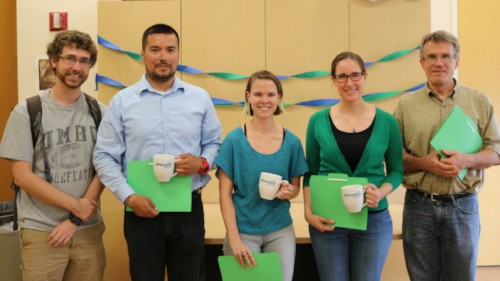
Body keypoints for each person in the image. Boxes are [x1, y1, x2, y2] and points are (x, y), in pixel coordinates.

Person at [92, 23, 222, 281]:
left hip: (188, 210)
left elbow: (215, 143)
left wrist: (203, 163)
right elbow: (104, 155)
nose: (163, 56)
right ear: (142, 54)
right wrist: (129, 197)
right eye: (155, 49)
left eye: (170, 49)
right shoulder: (123, 101)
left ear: (178, 55)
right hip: (140, 211)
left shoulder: (199, 98)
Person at [394, 30, 500, 281]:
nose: (438, 62)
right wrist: (423, 163)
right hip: (418, 207)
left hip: (462, 206)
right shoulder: (405, 106)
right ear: (422, 63)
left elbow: (496, 151)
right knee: (422, 277)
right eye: (431, 56)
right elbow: (394, 157)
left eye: (445, 56)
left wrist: (468, 160)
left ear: (456, 61)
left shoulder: (479, 101)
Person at [0, 30, 106, 281]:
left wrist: (76, 219)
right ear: (54, 60)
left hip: (87, 231)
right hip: (41, 231)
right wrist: (75, 207)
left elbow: (104, 168)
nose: (76, 67)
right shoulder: (27, 111)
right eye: (70, 58)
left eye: (84, 61)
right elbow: (22, 176)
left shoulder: (100, 112)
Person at [303, 51, 403, 281]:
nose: (349, 83)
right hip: (328, 219)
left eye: (355, 75)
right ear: (333, 80)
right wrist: (308, 213)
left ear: (365, 77)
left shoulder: (387, 122)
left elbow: (397, 171)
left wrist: (381, 191)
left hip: (374, 219)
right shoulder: (317, 121)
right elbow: (311, 173)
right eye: (342, 76)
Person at [215, 70, 308, 281]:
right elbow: (224, 195)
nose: (264, 100)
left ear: (279, 98)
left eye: (270, 95)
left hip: (280, 230)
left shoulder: (292, 142)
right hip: (243, 231)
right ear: (248, 97)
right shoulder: (234, 141)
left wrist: (288, 192)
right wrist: (235, 239)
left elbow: (294, 190)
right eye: (258, 94)